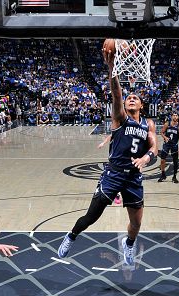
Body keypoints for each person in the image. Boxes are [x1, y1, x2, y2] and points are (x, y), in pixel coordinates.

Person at [58, 42, 158, 265]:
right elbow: (115, 93)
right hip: (113, 174)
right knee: (92, 217)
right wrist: (111, 66)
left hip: (133, 176)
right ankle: (71, 236)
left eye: (135, 98)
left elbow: (154, 148)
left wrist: (145, 158)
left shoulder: (147, 124)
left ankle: (129, 245)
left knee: (137, 223)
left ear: (141, 105)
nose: (131, 99)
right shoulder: (120, 118)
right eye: (128, 98)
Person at [157, 113, 179, 183]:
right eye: (174, 115)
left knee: (175, 162)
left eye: (176, 115)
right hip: (166, 144)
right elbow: (162, 132)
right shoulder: (167, 124)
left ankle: (174, 177)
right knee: (162, 160)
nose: (175, 116)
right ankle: (163, 175)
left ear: (178, 117)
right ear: (172, 117)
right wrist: (165, 137)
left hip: (174, 145)